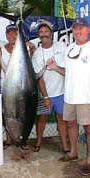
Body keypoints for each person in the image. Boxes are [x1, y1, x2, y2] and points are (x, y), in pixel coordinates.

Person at [54, 17, 90, 176]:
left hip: (86, 98)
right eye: (75, 28)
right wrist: (55, 68)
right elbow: (67, 72)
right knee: (71, 125)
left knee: (89, 129)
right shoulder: (69, 48)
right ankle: (73, 153)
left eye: (81, 28)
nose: (78, 31)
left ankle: (89, 161)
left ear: (88, 30)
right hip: (69, 96)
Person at [32, 20, 69, 152]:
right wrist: (46, 96)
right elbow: (39, 77)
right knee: (42, 118)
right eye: (41, 32)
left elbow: (68, 69)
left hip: (61, 92)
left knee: (61, 118)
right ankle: (38, 141)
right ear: (38, 35)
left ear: (51, 34)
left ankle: (64, 145)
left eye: (46, 31)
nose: (44, 34)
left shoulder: (61, 46)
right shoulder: (37, 53)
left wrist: (55, 67)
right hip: (45, 94)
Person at [0, 24, 36, 150]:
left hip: (22, 89)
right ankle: (9, 139)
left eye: (14, 33)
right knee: (7, 111)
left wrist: (30, 47)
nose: (11, 35)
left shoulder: (27, 47)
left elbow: (30, 63)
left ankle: (16, 139)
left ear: (17, 34)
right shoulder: (0, 49)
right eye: (9, 33)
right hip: (8, 86)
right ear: (6, 35)